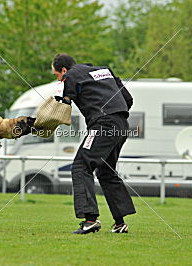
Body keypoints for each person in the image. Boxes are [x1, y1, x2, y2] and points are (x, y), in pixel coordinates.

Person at [51, 54, 136, 234]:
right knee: (105, 171)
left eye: (56, 75)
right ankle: (120, 223)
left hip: (104, 124)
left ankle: (90, 220)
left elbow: (62, 104)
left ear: (63, 70)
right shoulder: (104, 70)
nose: (58, 79)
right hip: (121, 123)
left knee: (81, 165)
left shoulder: (70, 76)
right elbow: (128, 99)